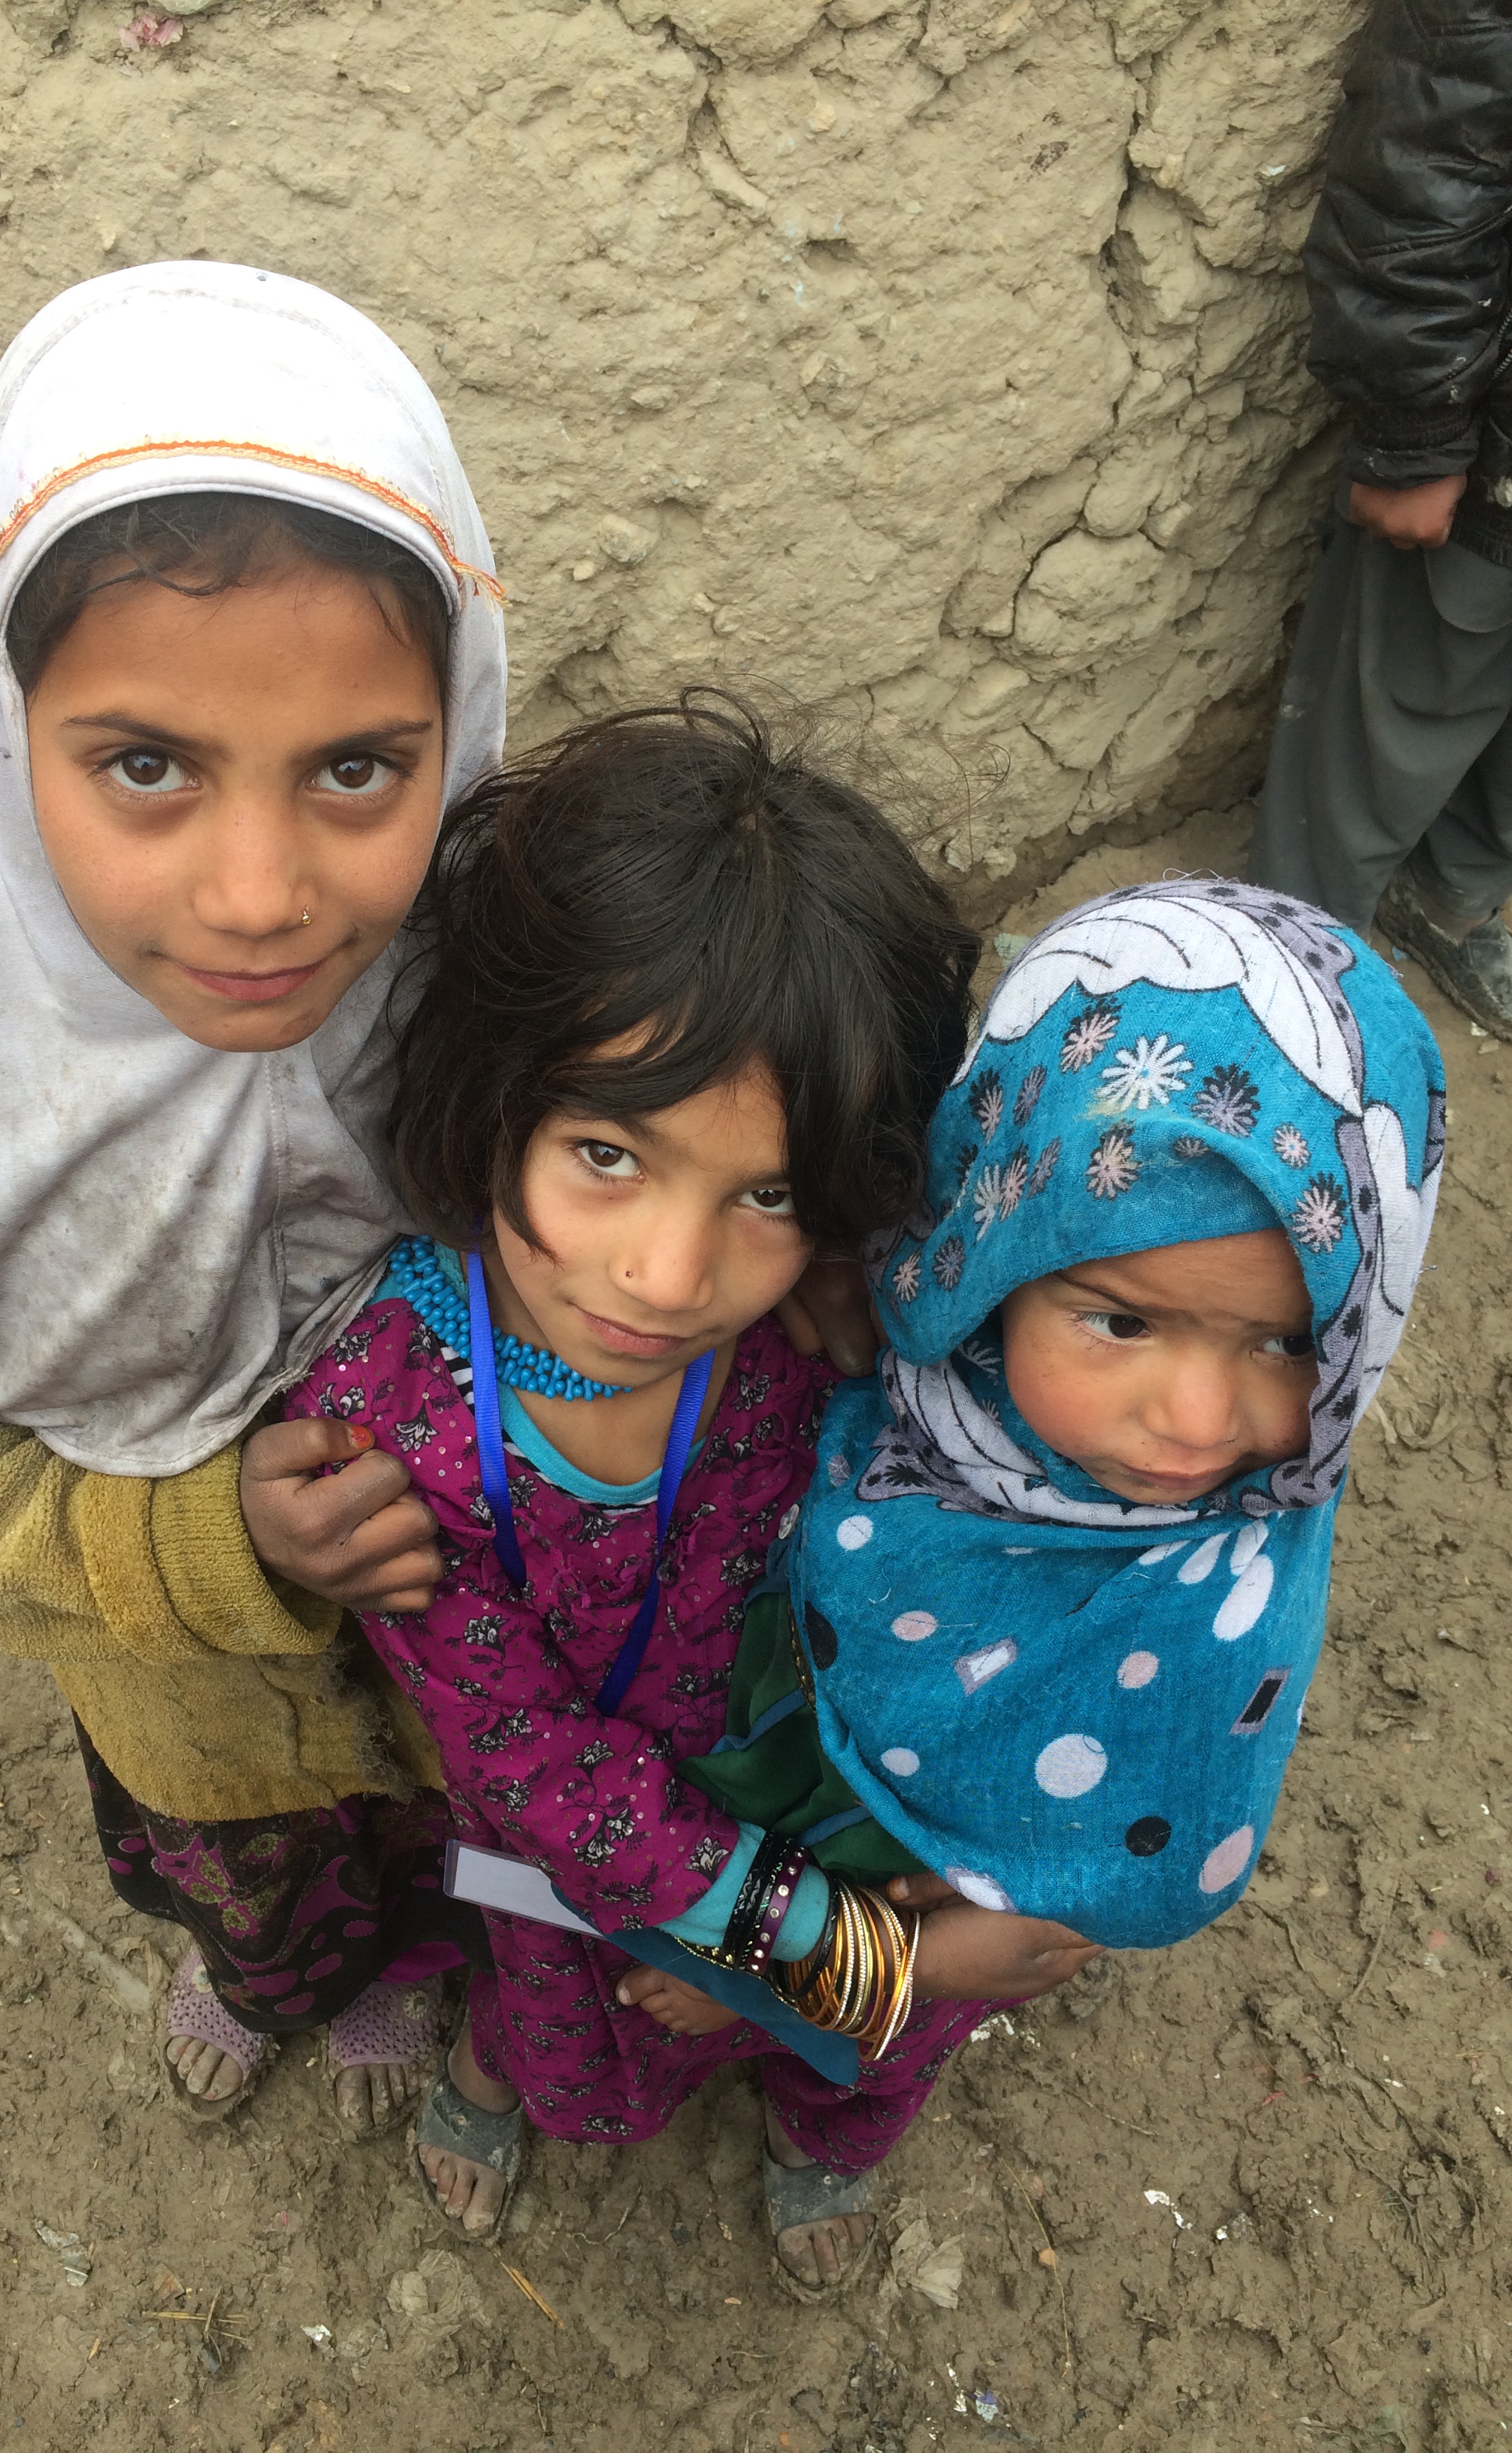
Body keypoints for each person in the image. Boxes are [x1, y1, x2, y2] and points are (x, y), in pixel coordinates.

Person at [0, 261, 513, 2127]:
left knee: (443, 1853)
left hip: (475, 1655)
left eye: (358, 771)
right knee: (255, 1883)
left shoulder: (498, 957)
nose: (256, 891)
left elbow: (708, 1144)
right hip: (185, 1700)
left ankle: (404, 1973)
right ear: (0, 727)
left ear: (454, 722)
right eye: (145, 765)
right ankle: (278, 1972)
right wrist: (205, 1547)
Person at [283, 698, 1105, 2298]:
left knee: (851, 2057)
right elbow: (538, 1777)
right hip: (579, 1869)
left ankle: (824, 2132)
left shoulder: (820, 1341)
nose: (669, 1274)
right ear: (493, 1083)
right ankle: (503, 2076)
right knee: (561, 2018)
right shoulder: (390, 1427)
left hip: (809, 1796)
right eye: (606, 1153)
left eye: (768, 1191)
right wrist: (863, 1954)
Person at [664, 880, 1443, 1974]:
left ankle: (820, 2129)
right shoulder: (859, 1320)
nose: (1197, 1422)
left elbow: (1140, 1841)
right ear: (986, 1255)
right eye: (1123, 1321)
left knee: (846, 2078)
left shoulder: (1231, 1604)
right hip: (749, 1784)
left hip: (934, 1921)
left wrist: (909, 1967)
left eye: (1287, 1345)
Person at [1247, 0, 1512, 1034]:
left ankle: (1446, 901)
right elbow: (1429, 147)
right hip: (1487, 463)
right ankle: (1281, 970)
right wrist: (1416, 430)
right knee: (1404, 698)